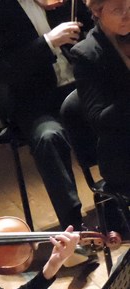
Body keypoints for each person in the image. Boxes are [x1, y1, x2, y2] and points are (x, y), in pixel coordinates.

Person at [0, 0, 93, 235]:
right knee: (49, 138)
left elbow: (92, 32)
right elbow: (2, 69)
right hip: (37, 103)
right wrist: (48, 42)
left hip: (81, 87)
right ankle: (74, 230)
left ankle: (114, 202)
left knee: (115, 113)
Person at [70, 0, 130, 196]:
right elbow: (99, 120)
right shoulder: (86, 54)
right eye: (118, 10)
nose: (127, 15)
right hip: (122, 153)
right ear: (97, 11)